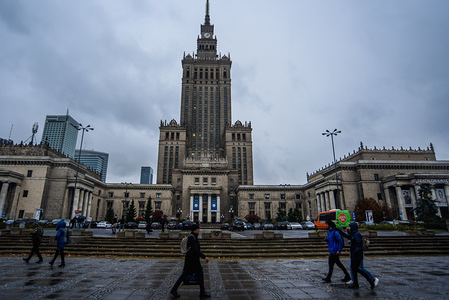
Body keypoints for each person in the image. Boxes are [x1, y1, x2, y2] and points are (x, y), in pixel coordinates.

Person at [170, 224, 210, 298]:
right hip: (191, 261)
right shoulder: (192, 237)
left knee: (199, 274)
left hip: (193, 260)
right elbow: (195, 249)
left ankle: (202, 292)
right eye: (198, 228)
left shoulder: (194, 236)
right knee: (184, 276)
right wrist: (204, 257)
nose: (199, 230)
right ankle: (174, 289)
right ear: (195, 229)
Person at [340, 222, 379, 289]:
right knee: (355, 268)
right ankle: (355, 282)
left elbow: (358, 244)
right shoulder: (353, 234)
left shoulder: (356, 234)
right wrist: (339, 231)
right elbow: (347, 236)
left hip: (357, 255)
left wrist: (355, 252)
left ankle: (372, 279)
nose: (348, 228)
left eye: (349, 227)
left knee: (359, 269)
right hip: (355, 255)